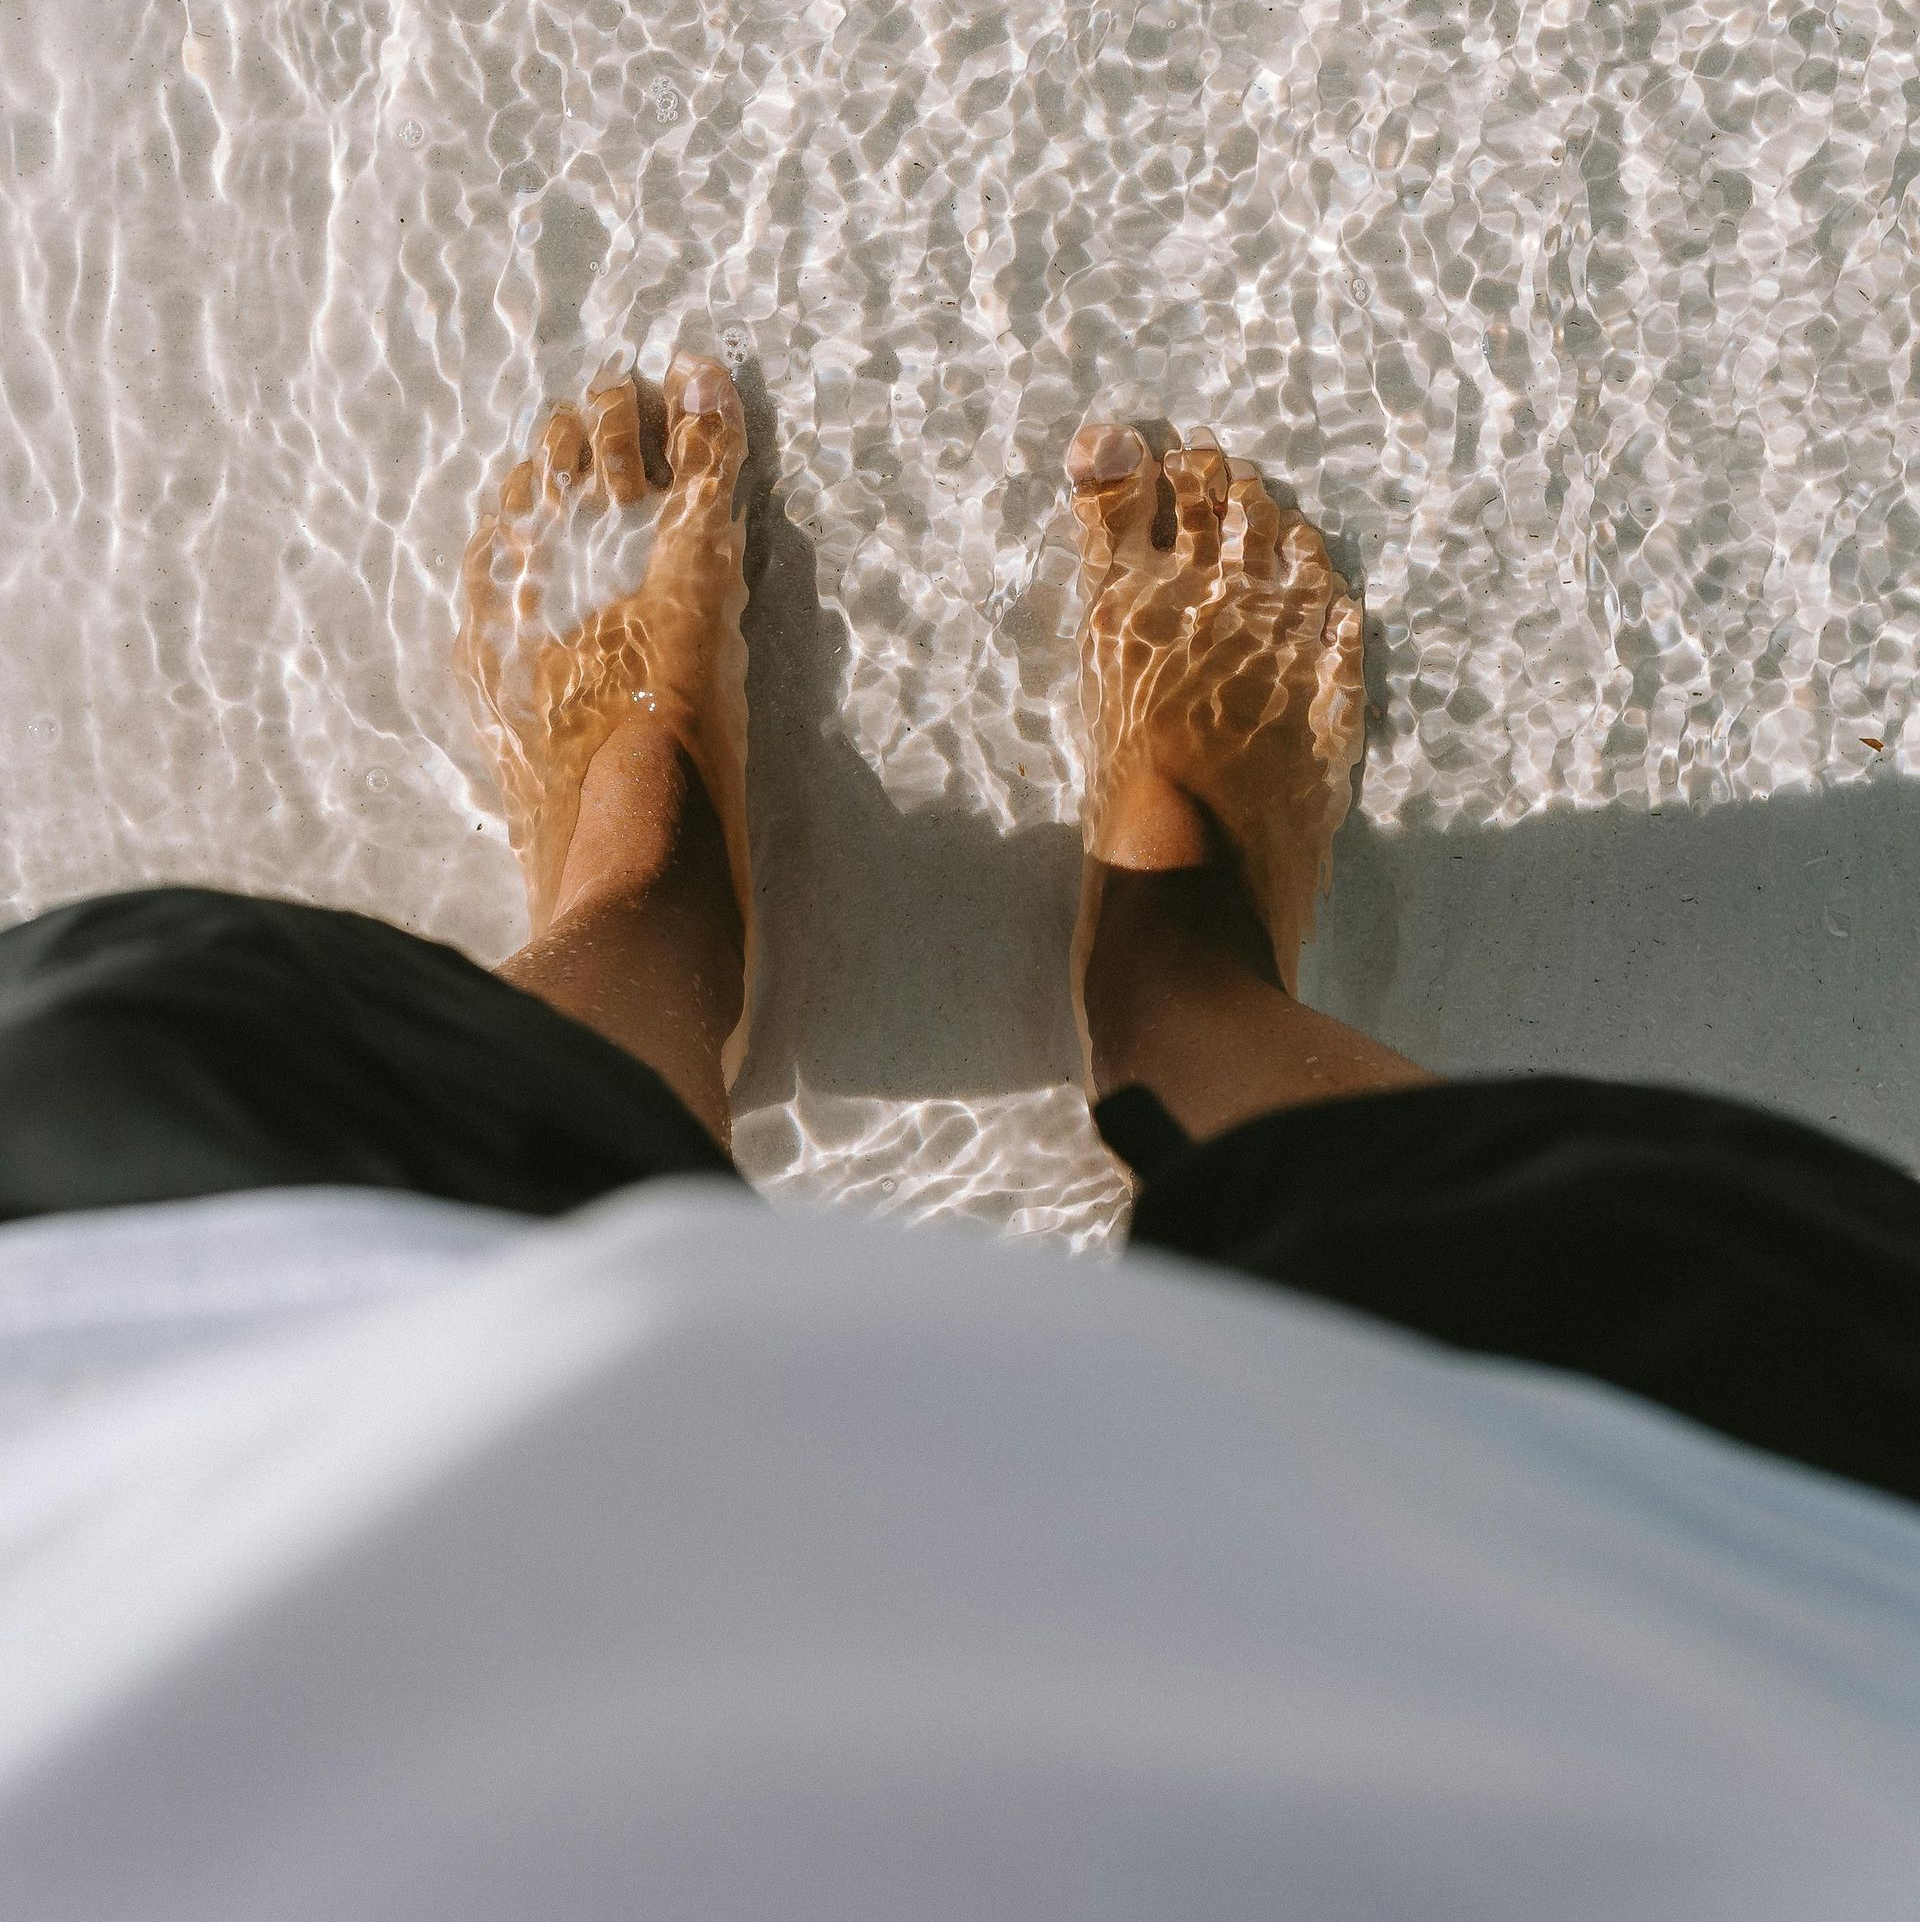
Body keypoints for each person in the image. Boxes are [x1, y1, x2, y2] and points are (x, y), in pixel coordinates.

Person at [0, 350, 1915, 1919]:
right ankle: (1177, 974)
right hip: (1679, 1702)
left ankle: (646, 900)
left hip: (170, 1609)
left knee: (222, 1113)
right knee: (1567, 1296)